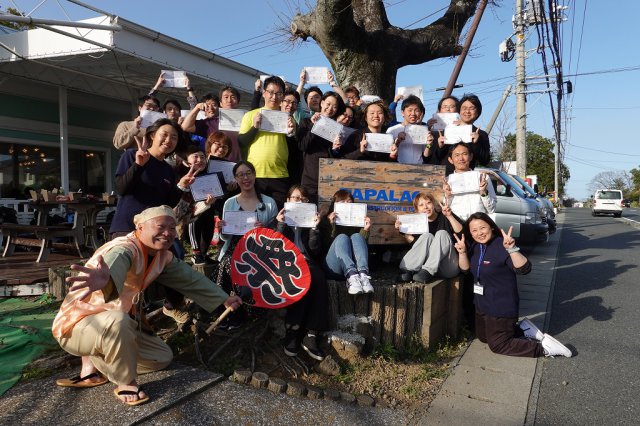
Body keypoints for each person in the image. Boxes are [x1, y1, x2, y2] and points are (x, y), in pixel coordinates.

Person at [52, 205, 242, 405]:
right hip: (77, 326)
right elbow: (115, 263)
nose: (167, 233)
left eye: (172, 228)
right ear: (140, 228)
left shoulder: (162, 256)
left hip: (115, 324)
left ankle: (97, 367)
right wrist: (107, 280)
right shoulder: (124, 248)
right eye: (160, 227)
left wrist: (223, 298)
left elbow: (191, 279)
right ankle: (126, 382)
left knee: (161, 357)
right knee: (118, 322)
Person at [452, 212, 572, 358]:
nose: (479, 233)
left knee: (498, 345)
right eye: (474, 230)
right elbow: (465, 269)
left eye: (482, 228)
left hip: (501, 307)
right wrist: (462, 252)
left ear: (491, 227)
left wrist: (512, 249)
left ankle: (544, 348)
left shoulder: (502, 244)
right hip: (482, 305)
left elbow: (525, 269)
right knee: (483, 337)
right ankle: (523, 329)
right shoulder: (475, 247)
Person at [109, 119, 196, 237]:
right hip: (127, 229)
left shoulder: (169, 170)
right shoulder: (132, 155)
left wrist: (181, 186)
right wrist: (138, 165)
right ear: (152, 135)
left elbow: (167, 204)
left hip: (155, 232)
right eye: (164, 135)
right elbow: (121, 189)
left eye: (174, 137)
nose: (168, 140)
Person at [275, 185, 328, 360]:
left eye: (303, 199)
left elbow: (315, 252)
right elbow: (275, 247)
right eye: (296, 198)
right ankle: (293, 330)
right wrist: (280, 224)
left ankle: (311, 333)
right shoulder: (281, 219)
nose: (299, 201)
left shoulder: (311, 220)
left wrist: (314, 229)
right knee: (300, 279)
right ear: (288, 200)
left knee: (318, 277)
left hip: (307, 261)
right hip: (287, 261)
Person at [237, 76, 296, 208]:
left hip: (280, 175)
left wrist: (291, 132)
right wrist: (255, 127)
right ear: (264, 93)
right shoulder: (250, 115)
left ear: (283, 96)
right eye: (271, 92)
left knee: (279, 215)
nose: (274, 97)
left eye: (278, 93)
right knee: (255, 215)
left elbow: (294, 148)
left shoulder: (288, 118)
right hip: (255, 175)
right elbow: (242, 142)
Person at [395, 192, 463, 283]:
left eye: (428, 203)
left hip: (447, 267)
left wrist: (449, 216)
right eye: (421, 205)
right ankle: (406, 270)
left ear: (433, 205)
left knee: (441, 233)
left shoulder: (445, 215)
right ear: (417, 210)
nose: (425, 207)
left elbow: (461, 233)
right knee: (427, 236)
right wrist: (403, 231)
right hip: (425, 270)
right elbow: (417, 246)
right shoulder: (419, 224)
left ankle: (428, 271)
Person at [319, 189, 373, 295]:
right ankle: (351, 274)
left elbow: (361, 250)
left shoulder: (357, 221)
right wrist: (331, 225)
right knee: (342, 237)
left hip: (356, 269)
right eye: (342, 201)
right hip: (334, 266)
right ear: (334, 205)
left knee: (357, 236)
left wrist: (365, 230)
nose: (346, 204)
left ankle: (363, 276)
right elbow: (324, 247)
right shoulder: (325, 220)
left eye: (349, 201)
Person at [297, 91, 346, 203]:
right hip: (309, 176)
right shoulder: (306, 122)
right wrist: (315, 125)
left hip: (329, 177)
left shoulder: (337, 128)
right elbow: (303, 146)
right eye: (328, 104)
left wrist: (335, 149)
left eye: (334, 107)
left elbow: (336, 155)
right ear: (322, 103)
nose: (330, 109)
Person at [443, 142, 497, 221]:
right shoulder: (446, 181)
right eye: (457, 155)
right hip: (456, 225)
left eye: (464, 154)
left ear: (471, 156)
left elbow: (492, 209)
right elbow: (444, 209)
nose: (461, 158)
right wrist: (448, 195)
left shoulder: (482, 177)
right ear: (450, 160)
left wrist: (483, 192)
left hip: (478, 225)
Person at [386, 95, 432, 164]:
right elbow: (387, 156)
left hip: (418, 168)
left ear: (420, 113)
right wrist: (397, 142)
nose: (413, 114)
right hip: (398, 169)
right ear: (402, 113)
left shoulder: (423, 130)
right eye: (410, 110)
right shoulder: (392, 130)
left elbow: (426, 156)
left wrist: (428, 145)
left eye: (417, 110)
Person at [217, 85, 243, 162]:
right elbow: (187, 127)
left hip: (240, 164)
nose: (229, 100)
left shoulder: (246, 120)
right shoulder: (212, 121)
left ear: (238, 101)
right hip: (218, 163)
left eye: (233, 97)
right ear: (220, 103)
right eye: (226, 97)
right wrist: (197, 108)